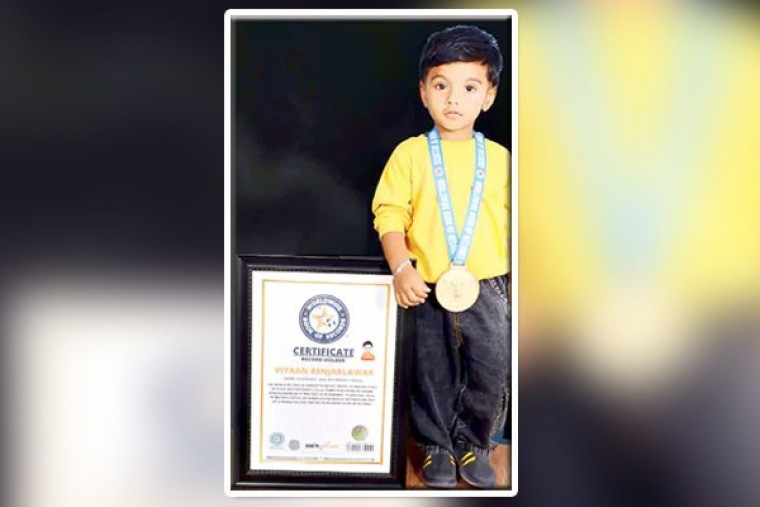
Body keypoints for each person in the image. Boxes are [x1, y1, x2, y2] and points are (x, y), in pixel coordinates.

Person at [371, 24, 510, 489]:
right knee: (430, 369)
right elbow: (390, 212)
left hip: (488, 286)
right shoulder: (410, 155)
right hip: (426, 286)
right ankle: (435, 445)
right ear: (423, 93)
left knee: (490, 368)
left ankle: (476, 442)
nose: (454, 99)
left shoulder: (503, 160)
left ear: (489, 96)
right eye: (441, 85)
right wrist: (401, 267)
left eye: (470, 87)